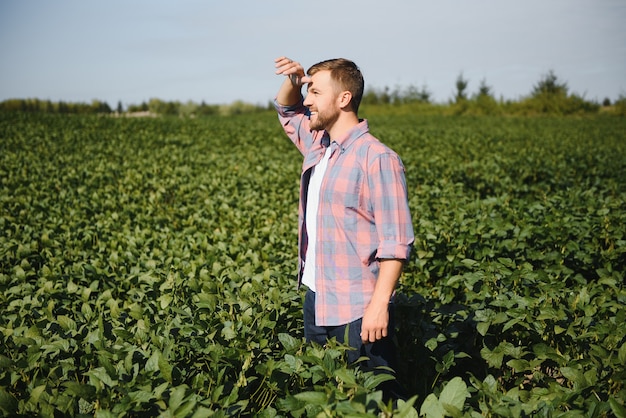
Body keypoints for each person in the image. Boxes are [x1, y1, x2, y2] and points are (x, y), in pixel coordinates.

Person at [273, 56, 414, 398]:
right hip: (316, 298)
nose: (307, 100)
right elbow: (286, 111)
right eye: (308, 92)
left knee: (374, 399)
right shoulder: (318, 146)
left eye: (316, 92)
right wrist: (295, 80)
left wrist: (379, 306)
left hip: (357, 308)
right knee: (328, 395)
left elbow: (396, 243)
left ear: (344, 98)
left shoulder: (377, 158)